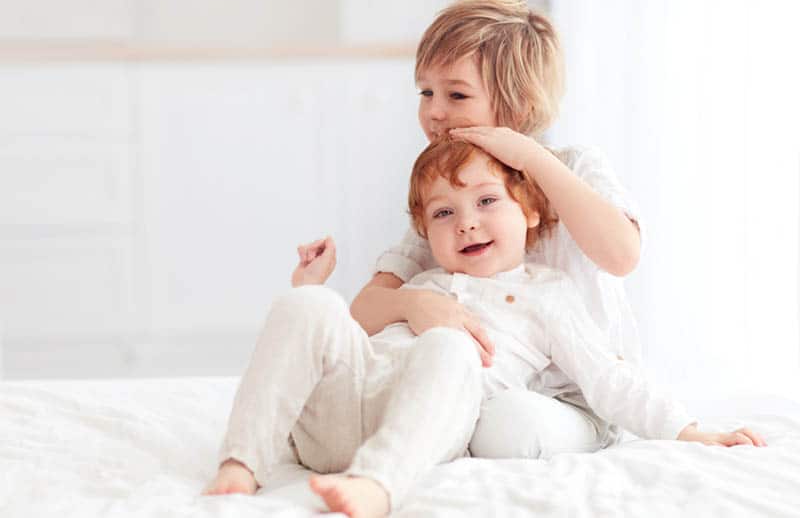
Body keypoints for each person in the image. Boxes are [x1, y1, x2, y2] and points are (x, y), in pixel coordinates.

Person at [203, 137, 766, 518]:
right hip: (340, 417)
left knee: (450, 349)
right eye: (444, 213)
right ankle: (241, 463)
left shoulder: (548, 296)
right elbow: (337, 340)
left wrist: (688, 430)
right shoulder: (423, 283)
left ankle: (376, 485)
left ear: (531, 211)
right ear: (426, 232)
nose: (466, 220)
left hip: (418, 427)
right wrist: (313, 288)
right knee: (306, 305)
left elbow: (609, 378)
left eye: (487, 200)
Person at [349, 0, 654, 458]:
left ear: (516, 105)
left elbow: (622, 254)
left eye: (456, 94)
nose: (434, 111)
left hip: (576, 399)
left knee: (509, 426)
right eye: (426, 92)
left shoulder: (573, 168)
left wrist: (531, 158)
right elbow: (363, 310)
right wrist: (410, 305)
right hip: (478, 388)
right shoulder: (447, 204)